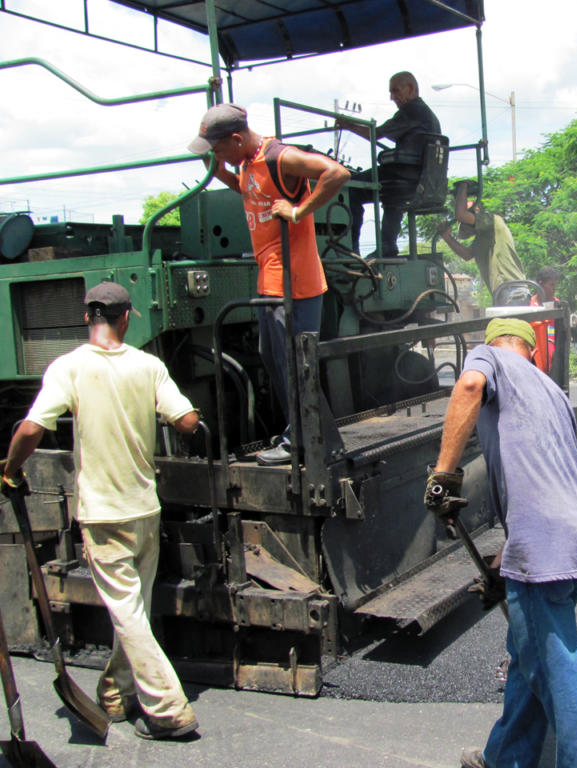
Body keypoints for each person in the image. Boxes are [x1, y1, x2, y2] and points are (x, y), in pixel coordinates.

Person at [0, 282, 201, 741]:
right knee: (134, 610)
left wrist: (11, 469)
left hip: (104, 513)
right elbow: (187, 421)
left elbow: (32, 427)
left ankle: (167, 709)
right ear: (126, 317)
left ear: (87, 318)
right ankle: (115, 691)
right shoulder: (149, 366)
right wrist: (193, 421)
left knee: (128, 612)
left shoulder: (68, 367)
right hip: (144, 508)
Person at [424, 318, 577, 768]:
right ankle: (505, 757)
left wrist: (444, 475)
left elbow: (467, 386)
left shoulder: (491, 360)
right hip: (574, 536)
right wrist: (506, 560)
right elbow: (540, 481)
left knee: (556, 673)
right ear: (534, 352)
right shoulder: (552, 392)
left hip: (544, 550)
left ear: (493, 346)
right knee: (530, 657)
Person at [188, 102, 349, 465]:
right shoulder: (244, 165)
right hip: (270, 279)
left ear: (236, 138)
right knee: (274, 359)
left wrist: (298, 210)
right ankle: (311, 435)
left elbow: (337, 173)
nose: (218, 157)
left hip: (295, 281)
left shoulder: (280, 157)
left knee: (294, 363)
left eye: (218, 149)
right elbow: (238, 185)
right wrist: (208, 159)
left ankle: (303, 442)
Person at [336, 71, 440, 257]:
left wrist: (347, 124)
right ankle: (387, 245)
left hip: (403, 175)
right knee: (393, 196)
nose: (392, 97)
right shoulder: (427, 114)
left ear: (410, 89)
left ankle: (350, 251)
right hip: (418, 177)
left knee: (349, 187)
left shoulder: (412, 110)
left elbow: (374, 133)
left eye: (395, 91)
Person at [438, 180, 526, 303]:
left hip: (513, 290)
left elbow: (460, 214)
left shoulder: (494, 222)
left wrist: (463, 186)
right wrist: (447, 237)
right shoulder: (481, 239)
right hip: (503, 292)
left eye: (465, 224)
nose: (465, 228)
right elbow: (467, 255)